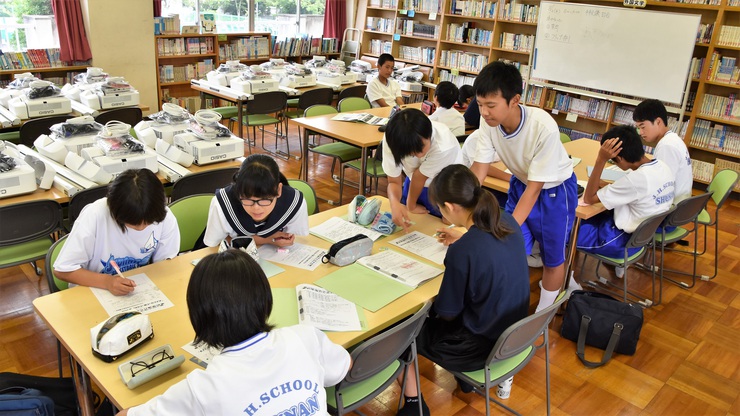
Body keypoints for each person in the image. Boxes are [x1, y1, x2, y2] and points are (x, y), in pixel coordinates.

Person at [117, 249, 351, 416]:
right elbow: (343, 367)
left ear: (199, 317)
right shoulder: (305, 337)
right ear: (264, 300)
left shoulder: (203, 388)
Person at [396, 164, 530, 415]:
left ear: (449, 207)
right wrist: (464, 239)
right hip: (514, 335)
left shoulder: (463, 252)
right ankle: (465, 384)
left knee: (399, 330)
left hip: (479, 348)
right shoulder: (507, 220)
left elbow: (447, 312)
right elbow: (489, 250)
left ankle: (414, 406)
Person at [469, 61, 578, 312]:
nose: (484, 112)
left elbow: (535, 190)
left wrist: (503, 226)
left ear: (515, 100)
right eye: (480, 104)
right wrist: (463, 207)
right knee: (512, 248)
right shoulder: (488, 122)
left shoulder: (542, 127)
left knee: (552, 258)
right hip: (521, 182)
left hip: (554, 191)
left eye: (491, 105)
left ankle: (542, 315)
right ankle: (511, 304)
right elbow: (479, 170)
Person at [54, 169, 180, 296]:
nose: (141, 228)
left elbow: (165, 265)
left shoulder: (164, 216)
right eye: (133, 223)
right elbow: (62, 270)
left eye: (149, 222)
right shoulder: (95, 216)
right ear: (115, 211)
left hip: (137, 292)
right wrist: (107, 282)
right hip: (93, 291)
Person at [578, 125, 675, 267]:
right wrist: (608, 186)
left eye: (612, 160)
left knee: (562, 231)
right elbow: (636, 192)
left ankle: (561, 274)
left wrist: (601, 159)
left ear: (619, 158)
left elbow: (588, 199)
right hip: (642, 236)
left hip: (620, 241)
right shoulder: (662, 166)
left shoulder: (635, 180)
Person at [203, 154, 308, 248]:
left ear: (279, 190)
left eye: (264, 200)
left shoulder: (293, 202)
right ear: (238, 191)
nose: (256, 208)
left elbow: (296, 239)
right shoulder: (222, 203)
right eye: (248, 199)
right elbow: (217, 243)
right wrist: (268, 240)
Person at [382, 108, 462, 228]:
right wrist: (394, 204)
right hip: (414, 182)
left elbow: (419, 177)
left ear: (429, 134)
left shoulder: (444, 146)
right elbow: (394, 181)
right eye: (410, 153)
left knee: (445, 224)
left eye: (421, 148)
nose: (417, 155)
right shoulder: (394, 140)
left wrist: (411, 205)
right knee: (416, 224)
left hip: (446, 187)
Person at [633, 98, 692, 204]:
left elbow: (660, 186)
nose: (640, 133)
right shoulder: (673, 139)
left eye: (642, 127)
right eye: (638, 128)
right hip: (682, 205)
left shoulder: (666, 146)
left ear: (658, 122)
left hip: (671, 209)